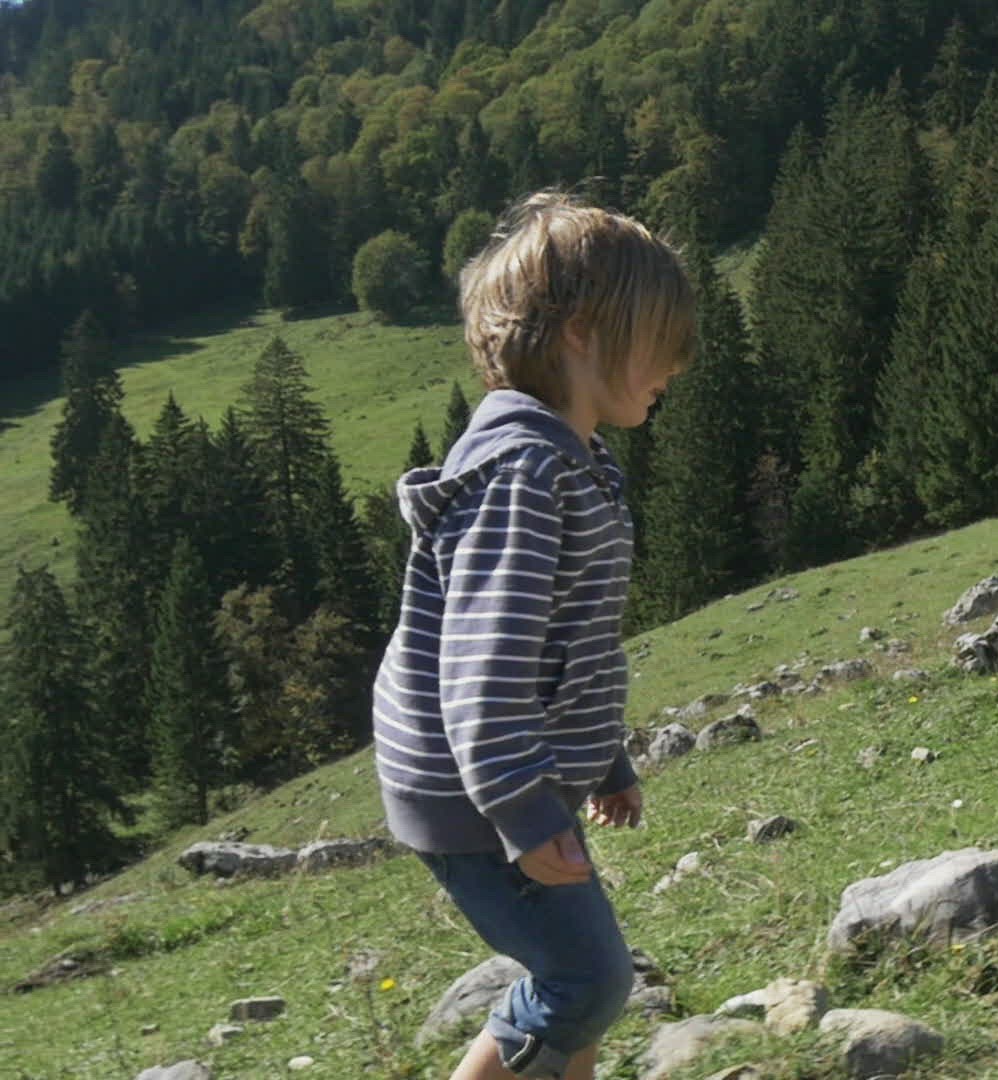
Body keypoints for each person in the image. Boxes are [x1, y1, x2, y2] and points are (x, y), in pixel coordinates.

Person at [371, 191, 694, 1080]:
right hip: (478, 793)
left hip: (515, 777)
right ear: (583, 332)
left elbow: (564, 647)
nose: (677, 362)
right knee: (586, 980)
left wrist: (605, 761)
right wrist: (521, 809)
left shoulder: (573, 460)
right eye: (661, 338)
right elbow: (485, 667)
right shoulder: (525, 473)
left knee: (580, 980)